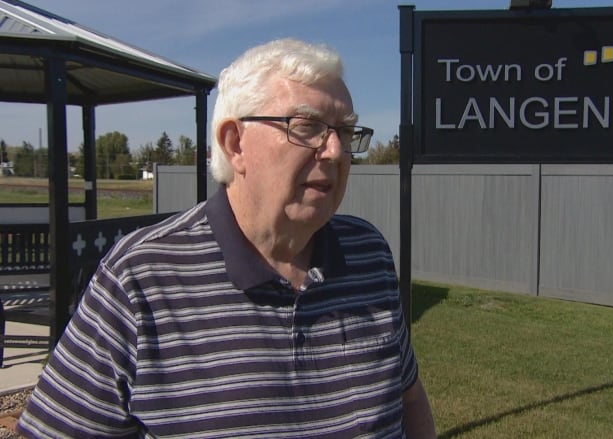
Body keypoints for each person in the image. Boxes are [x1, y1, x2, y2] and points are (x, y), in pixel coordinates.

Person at [17, 38, 435, 438]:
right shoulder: (139, 278)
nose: (334, 151)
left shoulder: (369, 252)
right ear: (235, 144)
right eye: (307, 126)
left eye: (344, 132)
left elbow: (409, 396)